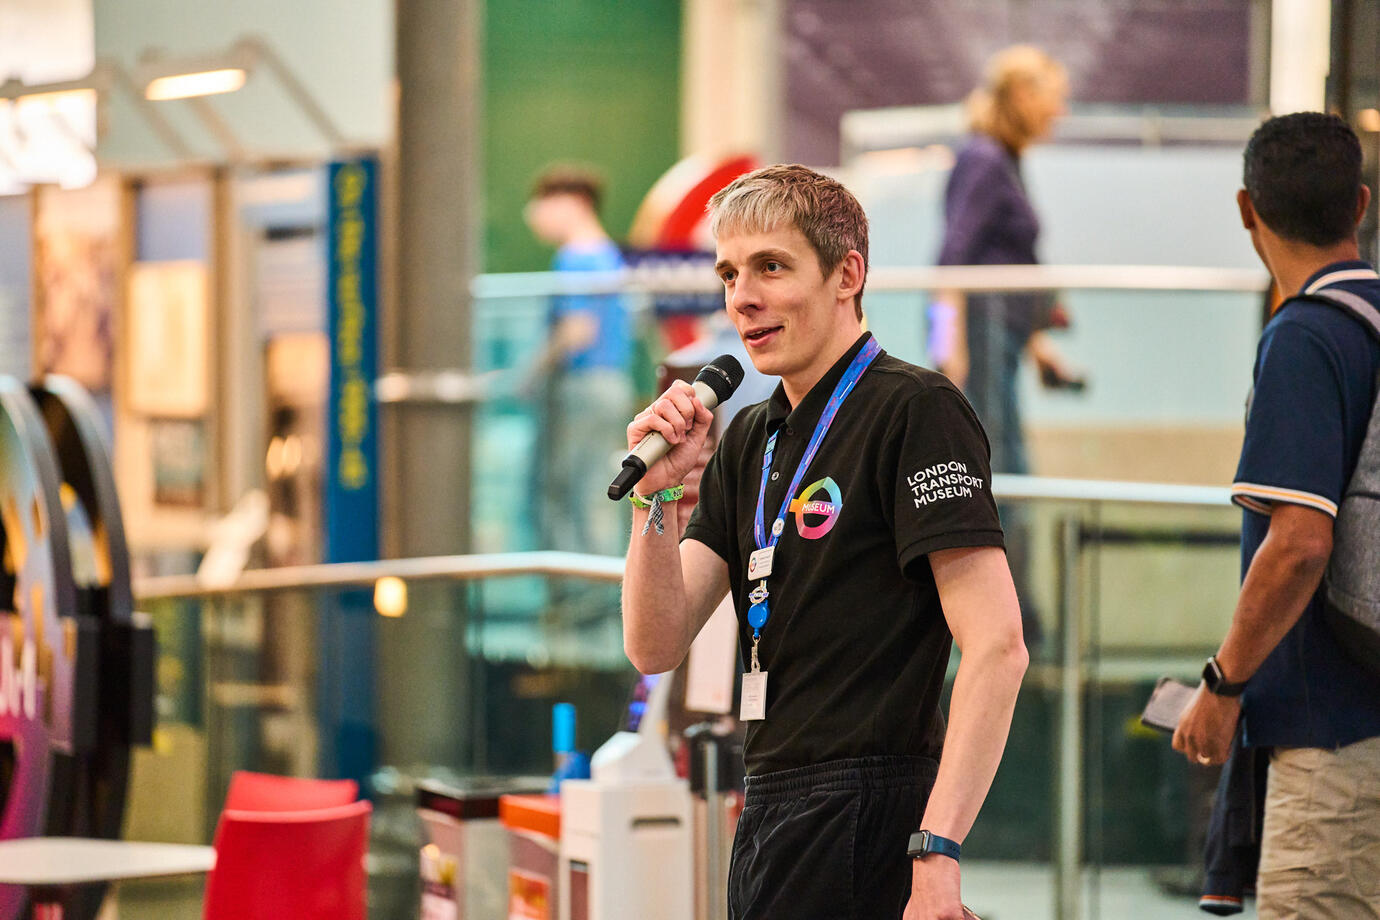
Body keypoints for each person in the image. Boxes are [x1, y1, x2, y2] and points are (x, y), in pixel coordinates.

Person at [621, 164, 1028, 920]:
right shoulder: (751, 436)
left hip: (872, 808)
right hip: (772, 800)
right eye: (730, 272)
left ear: (848, 274)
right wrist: (660, 497)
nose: (742, 296)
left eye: (771, 267)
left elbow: (999, 646)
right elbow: (655, 643)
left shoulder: (916, 409)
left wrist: (937, 853)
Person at [1173, 112, 1380, 918]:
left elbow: (1298, 543)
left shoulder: (1306, 337)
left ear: (1246, 210)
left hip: (1333, 747)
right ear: (1358, 205)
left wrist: (1223, 683)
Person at [933, 44, 1077, 475]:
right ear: (1021, 96)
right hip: (982, 332)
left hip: (1001, 332)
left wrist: (1036, 343)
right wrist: (947, 347)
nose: (1060, 111)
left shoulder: (1004, 160)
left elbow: (1008, 258)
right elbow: (951, 256)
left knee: (1006, 457)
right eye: (1053, 97)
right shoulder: (984, 159)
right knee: (997, 464)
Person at [523, 166, 633, 555]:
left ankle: (580, 601)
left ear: (575, 203)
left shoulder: (577, 257)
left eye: (545, 202)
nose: (535, 213)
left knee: (569, 492)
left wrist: (531, 373)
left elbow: (578, 330)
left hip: (583, 387)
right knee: (594, 490)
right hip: (610, 385)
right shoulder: (608, 254)